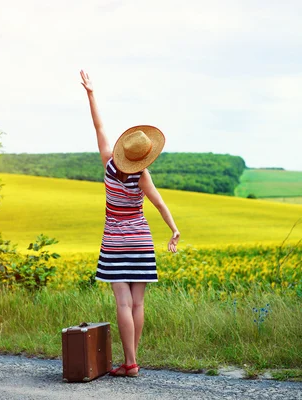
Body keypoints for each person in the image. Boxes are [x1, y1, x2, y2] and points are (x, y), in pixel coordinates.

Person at [80, 70, 180, 378]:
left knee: (122, 303)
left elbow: (99, 126)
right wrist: (174, 230)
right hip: (140, 239)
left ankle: (130, 362)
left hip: (114, 240)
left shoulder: (109, 164)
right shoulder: (143, 175)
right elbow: (159, 203)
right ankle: (131, 362)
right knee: (138, 303)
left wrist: (91, 93)